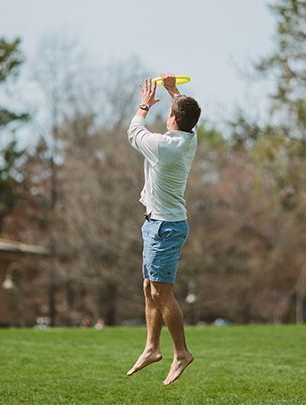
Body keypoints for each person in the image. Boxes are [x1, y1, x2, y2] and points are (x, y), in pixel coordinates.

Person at [125, 73, 201, 385]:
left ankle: (181, 352)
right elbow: (183, 113)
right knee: (148, 286)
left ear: (172, 118)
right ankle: (152, 347)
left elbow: (133, 132)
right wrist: (173, 91)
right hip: (158, 223)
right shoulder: (189, 138)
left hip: (165, 229)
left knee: (161, 293)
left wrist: (144, 105)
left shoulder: (163, 147)